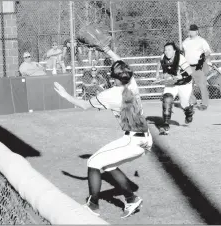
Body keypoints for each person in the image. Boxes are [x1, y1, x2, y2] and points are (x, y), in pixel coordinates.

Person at [54, 47, 152, 218]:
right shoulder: (131, 83)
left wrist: (65, 96)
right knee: (108, 165)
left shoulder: (110, 94)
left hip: (133, 141)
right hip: (143, 138)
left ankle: (93, 206)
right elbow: (120, 62)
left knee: (93, 162)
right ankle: (131, 199)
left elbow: (84, 105)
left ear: (114, 77)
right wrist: (106, 49)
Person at [155, 42, 194, 135]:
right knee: (167, 99)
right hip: (172, 83)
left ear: (174, 51)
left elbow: (189, 71)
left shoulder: (180, 58)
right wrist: (157, 74)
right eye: (165, 50)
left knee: (184, 104)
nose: (167, 52)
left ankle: (189, 113)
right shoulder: (163, 56)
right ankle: (165, 125)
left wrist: (181, 76)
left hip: (184, 83)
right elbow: (159, 63)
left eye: (169, 50)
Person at [182, 24, 212, 111]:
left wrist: (204, 55)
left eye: (193, 30)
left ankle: (204, 104)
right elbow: (182, 51)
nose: (191, 32)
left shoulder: (201, 41)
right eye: (190, 30)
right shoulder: (186, 41)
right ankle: (193, 102)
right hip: (188, 66)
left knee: (202, 85)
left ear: (197, 31)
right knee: (187, 85)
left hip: (199, 66)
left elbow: (208, 51)